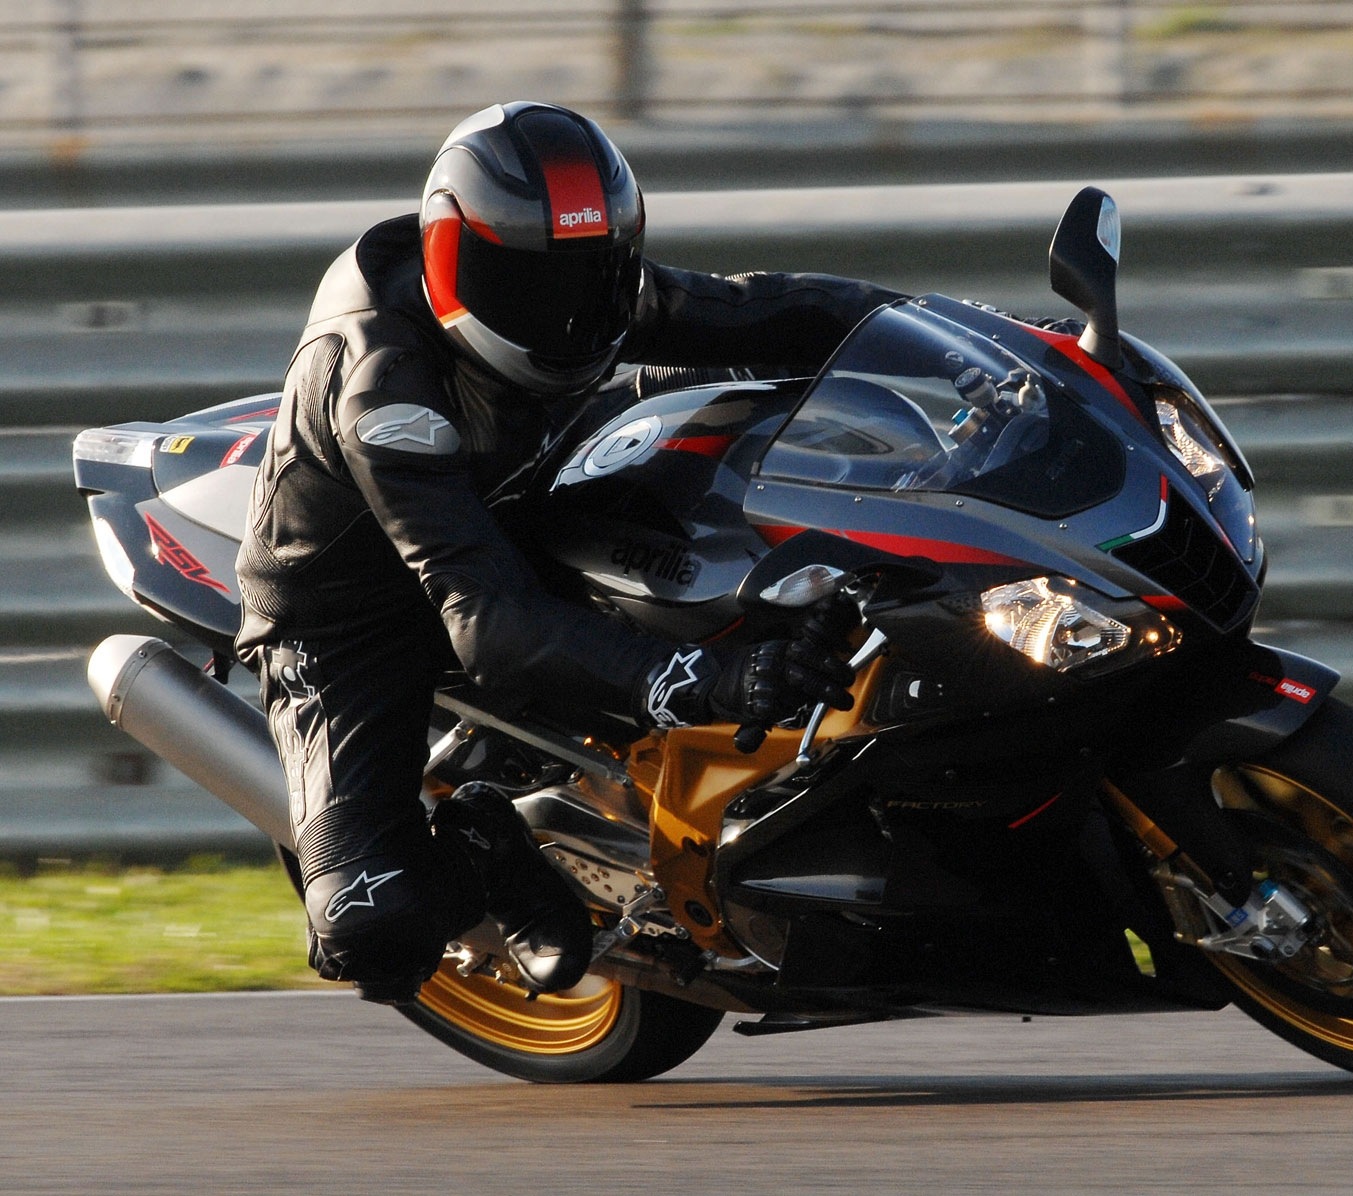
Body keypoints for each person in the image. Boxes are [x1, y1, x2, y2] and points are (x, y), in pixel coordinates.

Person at [234, 101, 904, 1005]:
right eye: (528, 286)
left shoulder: (593, 296)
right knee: (374, 930)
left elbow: (773, 310)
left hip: (524, 511)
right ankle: (482, 846)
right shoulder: (383, 387)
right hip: (357, 618)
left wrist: (993, 340)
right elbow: (489, 621)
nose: (565, 315)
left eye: (591, 275)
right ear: (452, 262)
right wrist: (710, 681)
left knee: (748, 395)